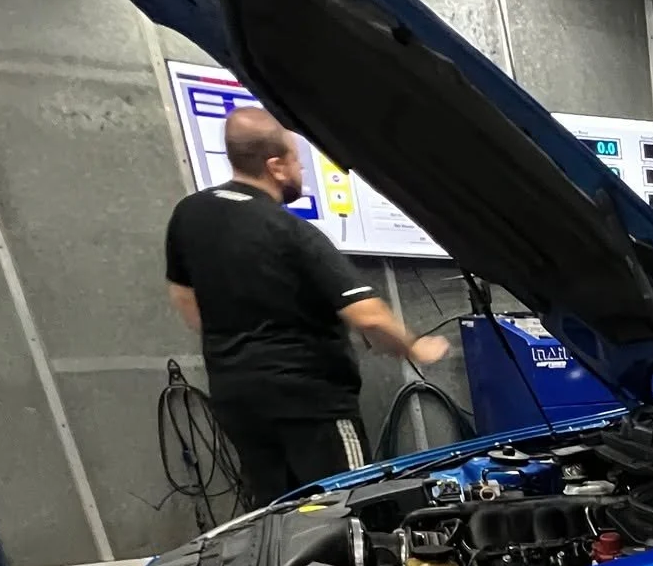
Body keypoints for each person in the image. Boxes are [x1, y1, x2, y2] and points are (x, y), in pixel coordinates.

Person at [164, 106, 448, 507]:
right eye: (298, 161)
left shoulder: (189, 215)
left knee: (277, 513)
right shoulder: (290, 232)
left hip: (237, 401)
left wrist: (233, 339)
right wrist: (414, 346)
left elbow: (184, 297)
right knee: (349, 506)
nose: (302, 172)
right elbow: (367, 315)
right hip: (311, 403)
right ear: (276, 166)